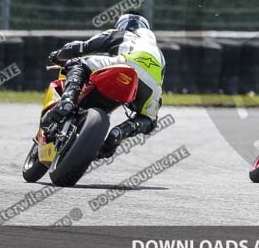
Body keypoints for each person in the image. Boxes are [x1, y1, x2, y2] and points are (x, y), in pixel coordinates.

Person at [42, 11, 166, 159]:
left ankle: (68, 100)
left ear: (122, 25)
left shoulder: (121, 34)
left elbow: (81, 47)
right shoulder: (159, 54)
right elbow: (159, 81)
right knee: (150, 120)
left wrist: (57, 56)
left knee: (78, 63)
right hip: (152, 87)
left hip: (126, 63)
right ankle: (121, 132)